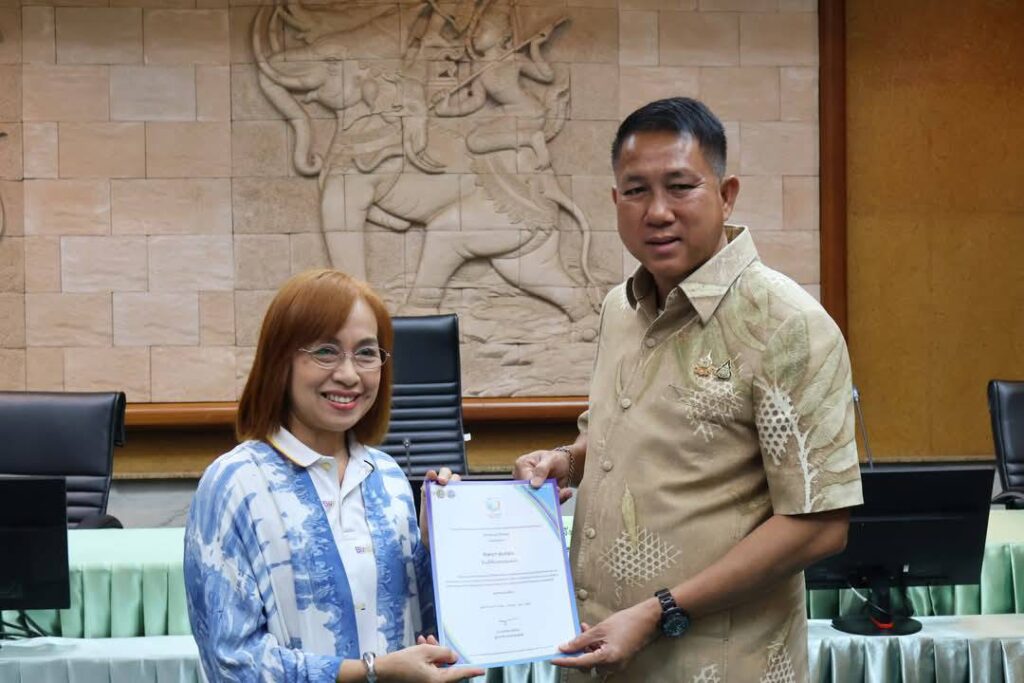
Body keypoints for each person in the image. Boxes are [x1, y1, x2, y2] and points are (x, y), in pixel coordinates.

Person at [514, 97, 863, 682]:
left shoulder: (788, 325)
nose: (657, 212)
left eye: (680, 187)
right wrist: (564, 463)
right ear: (615, 201)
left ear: (726, 195)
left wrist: (659, 611)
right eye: (636, 191)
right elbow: (615, 442)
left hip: (720, 666)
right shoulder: (619, 309)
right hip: (595, 658)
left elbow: (820, 525)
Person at [184, 269, 484, 683]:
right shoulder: (234, 484)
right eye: (326, 351)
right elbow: (232, 660)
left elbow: (426, 631)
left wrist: (440, 549)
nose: (349, 374)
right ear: (280, 361)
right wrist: (370, 672)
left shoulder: (389, 479)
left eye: (366, 353)